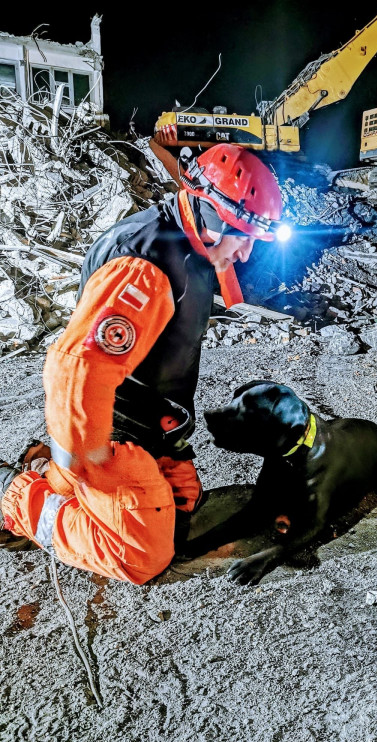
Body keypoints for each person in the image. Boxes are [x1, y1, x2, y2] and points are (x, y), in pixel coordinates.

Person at [0, 143, 284, 584]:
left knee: (184, 507)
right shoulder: (144, 267)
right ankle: (16, 496)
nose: (246, 253)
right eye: (243, 235)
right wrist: (88, 462)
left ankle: (66, 476)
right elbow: (76, 370)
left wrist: (171, 441)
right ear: (211, 217)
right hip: (111, 431)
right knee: (143, 553)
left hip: (152, 423)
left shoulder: (193, 246)